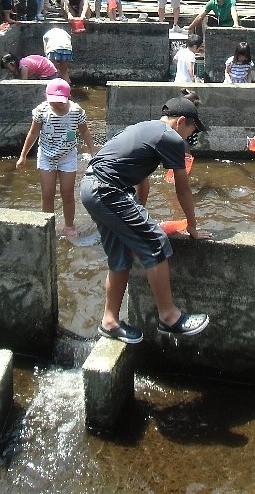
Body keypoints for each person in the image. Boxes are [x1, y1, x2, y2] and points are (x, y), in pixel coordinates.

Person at [80, 96, 211, 343]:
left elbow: (142, 176)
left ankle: (110, 322)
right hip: (109, 190)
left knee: (120, 254)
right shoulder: (171, 138)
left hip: (90, 186)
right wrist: (192, 226)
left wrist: (138, 211)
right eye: (192, 130)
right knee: (155, 242)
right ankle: (169, 317)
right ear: (181, 121)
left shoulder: (145, 128)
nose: (190, 137)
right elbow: (182, 188)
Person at [16, 78, 97, 239]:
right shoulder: (41, 111)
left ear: (67, 98)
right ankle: (48, 224)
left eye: (60, 102)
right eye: (53, 101)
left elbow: (84, 132)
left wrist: (93, 150)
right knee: (47, 193)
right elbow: (33, 133)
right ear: (46, 96)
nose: (56, 104)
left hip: (67, 156)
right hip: (47, 156)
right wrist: (23, 156)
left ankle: (68, 226)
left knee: (67, 194)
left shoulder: (76, 111)